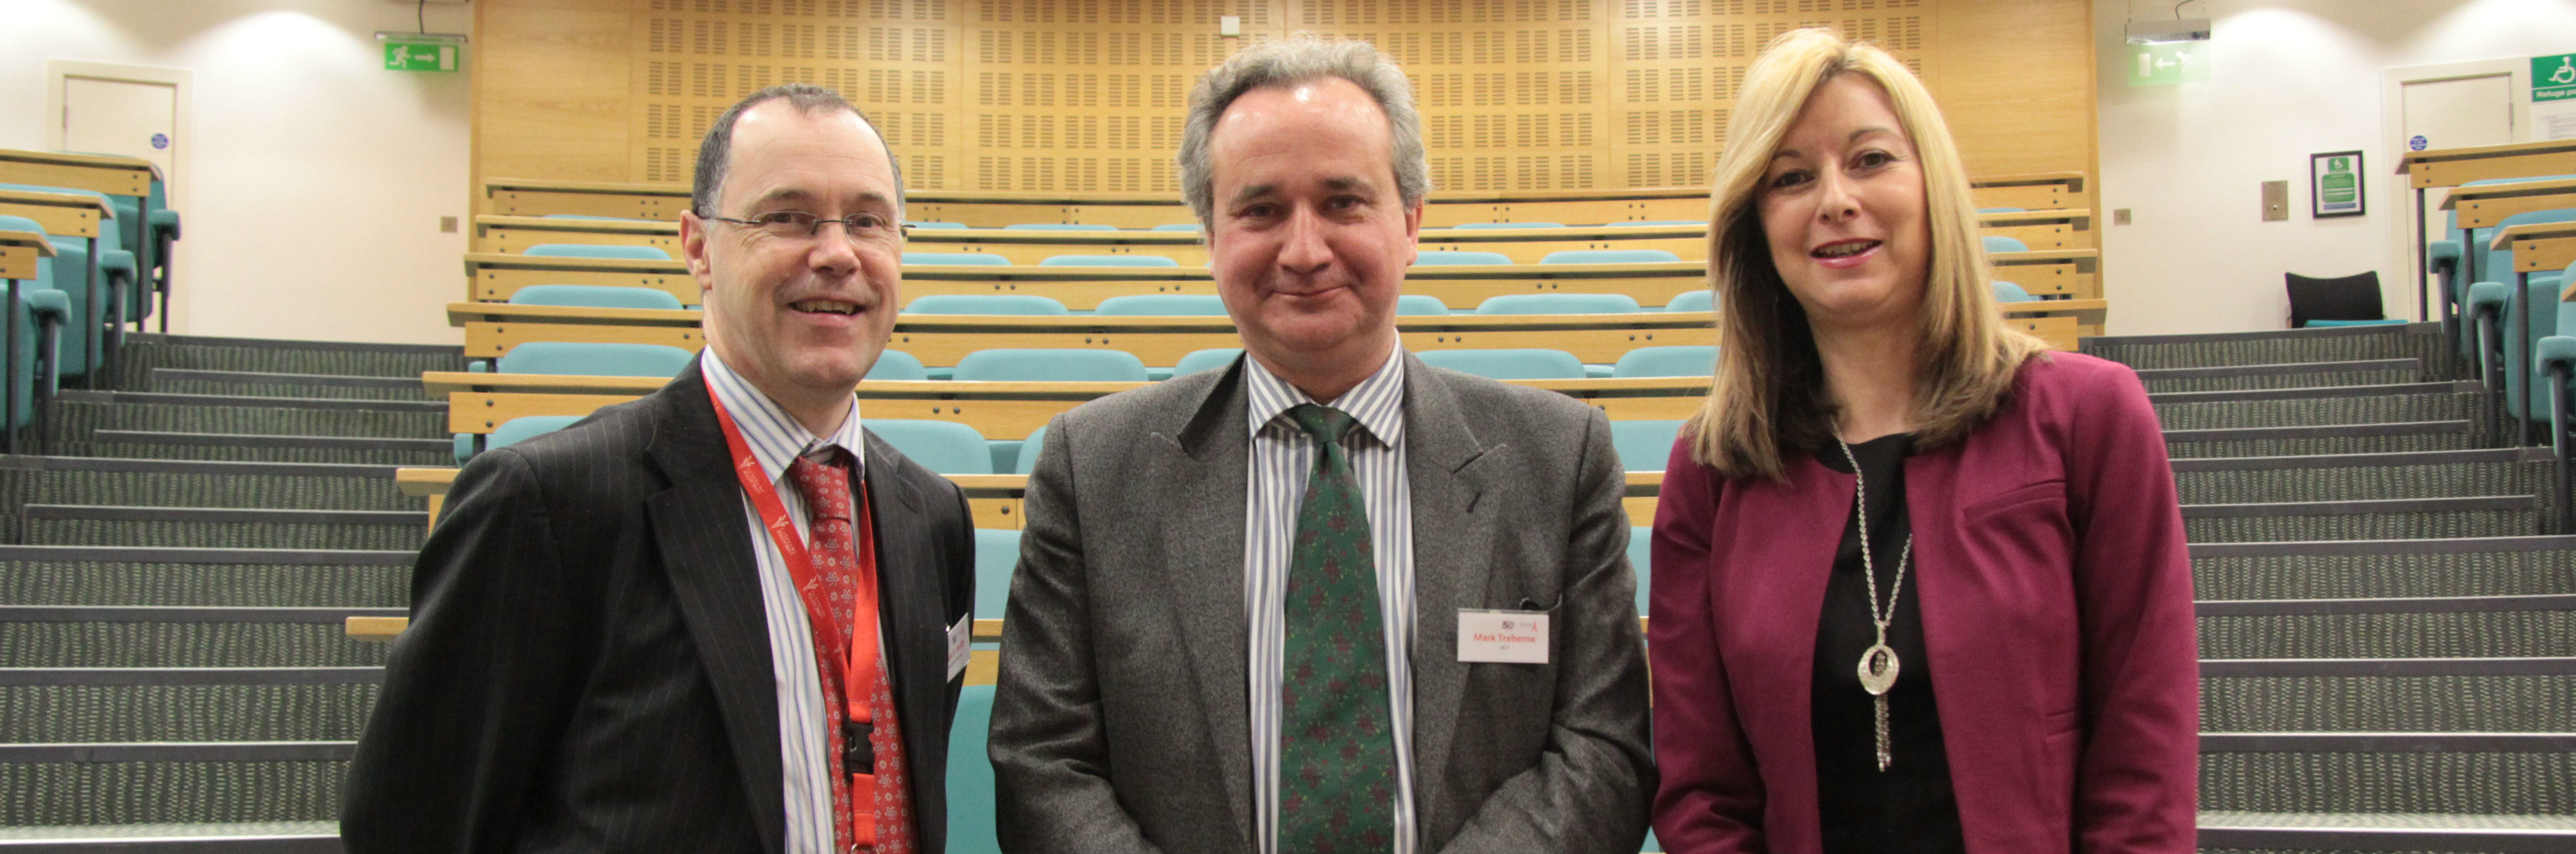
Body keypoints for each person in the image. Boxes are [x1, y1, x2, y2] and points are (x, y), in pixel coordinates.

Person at [987, 36, 1656, 853]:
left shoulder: (1558, 458)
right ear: (1210, 234)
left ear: (1410, 223)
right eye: (1261, 209)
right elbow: (1042, 760)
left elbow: (1603, 749)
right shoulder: (1092, 469)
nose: (1304, 251)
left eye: (1343, 202)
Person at [343, 84, 978, 854]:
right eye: (787, 217)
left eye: (869, 221)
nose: (838, 253)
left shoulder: (933, 518)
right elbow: (409, 827)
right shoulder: (547, 505)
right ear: (698, 248)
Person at [1646, 28, 2199, 854]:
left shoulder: (2089, 419)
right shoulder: (1714, 471)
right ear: (1755, 227)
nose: (1834, 198)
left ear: (1932, 183)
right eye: (1792, 178)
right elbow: (1702, 790)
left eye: (1870, 159)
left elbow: (2144, 750)